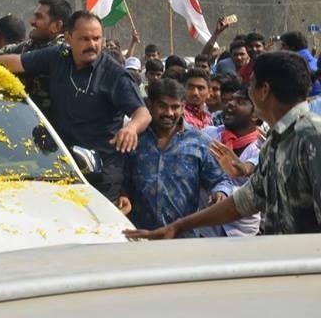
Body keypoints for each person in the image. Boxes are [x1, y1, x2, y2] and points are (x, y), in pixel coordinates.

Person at [125, 51, 321, 239]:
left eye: (250, 83)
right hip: (287, 265)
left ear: (264, 90)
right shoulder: (276, 141)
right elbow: (245, 200)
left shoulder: (312, 136)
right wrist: (178, 227)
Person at [0, 10, 150, 202]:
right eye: (85, 39)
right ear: (69, 38)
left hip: (101, 176)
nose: (92, 45)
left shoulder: (115, 74)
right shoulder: (58, 57)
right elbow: (17, 63)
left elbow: (143, 113)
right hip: (61, 169)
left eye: (97, 38)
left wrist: (131, 128)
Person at [118, 78, 231, 236]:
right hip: (139, 235)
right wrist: (123, 195)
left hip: (183, 238)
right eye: (162, 106)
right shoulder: (135, 139)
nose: (169, 113)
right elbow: (122, 180)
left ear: (183, 107)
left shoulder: (199, 142)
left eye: (175, 107)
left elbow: (220, 179)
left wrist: (220, 192)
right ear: (150, 106)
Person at [0, 0, 73, 111]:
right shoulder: (31, 45)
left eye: (39, 17)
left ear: (57, 26)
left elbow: (17, 61)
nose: (32, 21)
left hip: (51, 126)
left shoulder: (63, 53)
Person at [202, 88, 262, 236]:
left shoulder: (262, 149)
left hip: (242, 234)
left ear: (255, 114)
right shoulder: (209, 135)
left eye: (240, 102)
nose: (230, 104)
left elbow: (257, 194)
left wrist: (224, 191)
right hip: (205, 231)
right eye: (231, 100)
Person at [279, 31, 321, 98]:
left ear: (292, 48)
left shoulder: (293, 68)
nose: (280, 49)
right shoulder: (317, 62)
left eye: (283, 45)